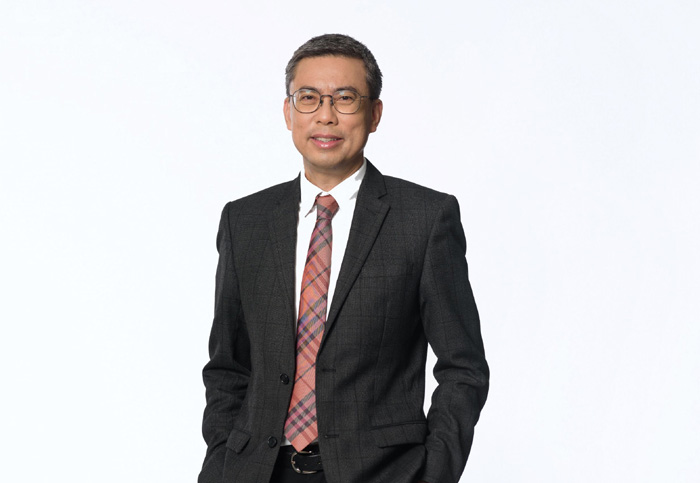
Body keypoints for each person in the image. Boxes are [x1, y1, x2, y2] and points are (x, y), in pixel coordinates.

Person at [198, 34, 489, 483]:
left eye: (345, 98)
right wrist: (222, 463)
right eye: (308, 98)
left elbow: (463, 368)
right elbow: (228, 366)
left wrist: (432, 474)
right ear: (288, 112)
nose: (326, 115)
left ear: (374, 114)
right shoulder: (245, 221)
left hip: (381, 472)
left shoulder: (425, 219)